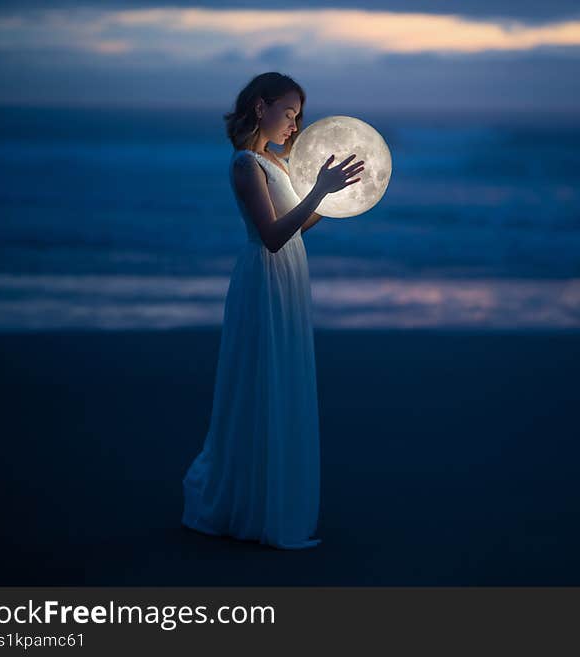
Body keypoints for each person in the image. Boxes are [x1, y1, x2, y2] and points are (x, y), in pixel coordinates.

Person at [181, 72, 364, 549]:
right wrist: (318, 190)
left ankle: (271, 497)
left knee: (283, 377)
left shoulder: (276, 162)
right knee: (261, 381)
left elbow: (298, 227)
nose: (295, 123)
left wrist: (335, 196)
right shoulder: (246, 165)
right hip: (263, 278)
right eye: (289, 112)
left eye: (298, 115)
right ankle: (247, 503)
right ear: (261, 108)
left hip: (288, 276)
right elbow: (271, 235)